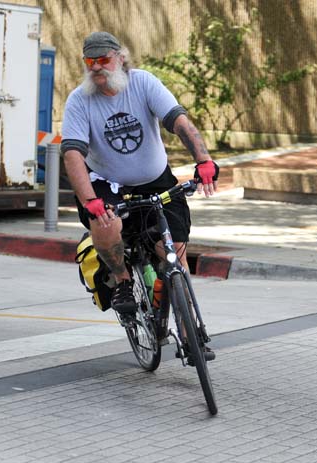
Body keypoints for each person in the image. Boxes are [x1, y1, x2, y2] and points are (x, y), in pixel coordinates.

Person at [61, 31, 219, 315]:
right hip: (106, 184)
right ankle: (122, 279)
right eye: (89, 60)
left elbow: (177, 120)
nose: (96, 66)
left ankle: (190, 334)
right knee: (105, 223)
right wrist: (89, 200)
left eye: (103, 59)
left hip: (156, 180)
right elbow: (73, 153)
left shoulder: (143, 82)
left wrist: (204, 160)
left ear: (120, 59)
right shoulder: (78, 101)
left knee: (175, 256)